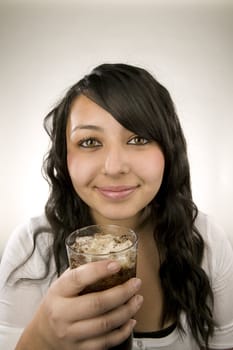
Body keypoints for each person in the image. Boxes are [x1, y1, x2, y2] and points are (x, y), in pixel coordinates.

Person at [0, 63, 233, 350]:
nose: (114, 167)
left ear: (169, 150)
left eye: (138, 139)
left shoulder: (207, 241)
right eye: (89, 141)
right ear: (64, 157)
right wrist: (41, 339)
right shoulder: (32, 249)